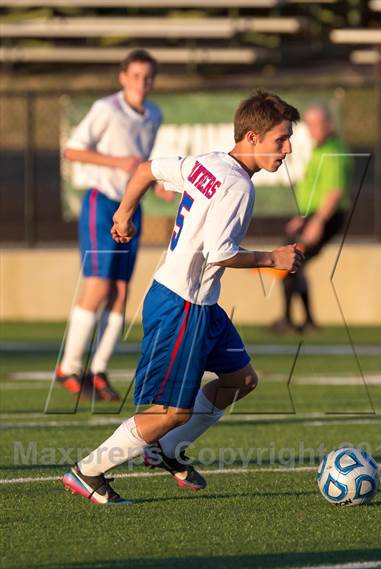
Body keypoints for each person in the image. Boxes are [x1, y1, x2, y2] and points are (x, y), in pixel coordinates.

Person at [63, 90, 303, 504]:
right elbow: (220, 253)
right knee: (170, 412)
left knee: (240, 380)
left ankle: (166, 448)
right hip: (181, 305)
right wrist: (274, 257)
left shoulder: (208, 162)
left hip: (201, 304)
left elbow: (146, 169)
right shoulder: (238, 187)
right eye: (280, 139)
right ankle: (88, 470)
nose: (288, 148)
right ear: (251, 136)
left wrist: (124, 213)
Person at [57, 49, 167, 401]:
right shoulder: (107, 109)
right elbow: (72, 151)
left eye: (147, 76)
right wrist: (118, 161)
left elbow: (142, 165)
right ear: (123, 77)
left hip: (131, 206)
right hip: (102, 202)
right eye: (134, 75)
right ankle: (69, 366)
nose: (141, 82)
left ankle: (98, 370)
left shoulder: (154, 114)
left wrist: (158, 184)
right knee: (99, 283)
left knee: (120, 289)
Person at [271, 104, 351, 334]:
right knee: (295, 265)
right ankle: (307, 321)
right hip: (313, 216)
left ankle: (291, 320)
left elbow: (334, 192)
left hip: (325, 217)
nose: (312, 129)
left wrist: (317, 222)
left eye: (317, 123)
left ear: (329, 124)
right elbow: (317, 189)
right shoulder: (320, 149)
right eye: (309, 124)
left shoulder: (333, 150)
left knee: (289, 263)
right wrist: (302, 217)